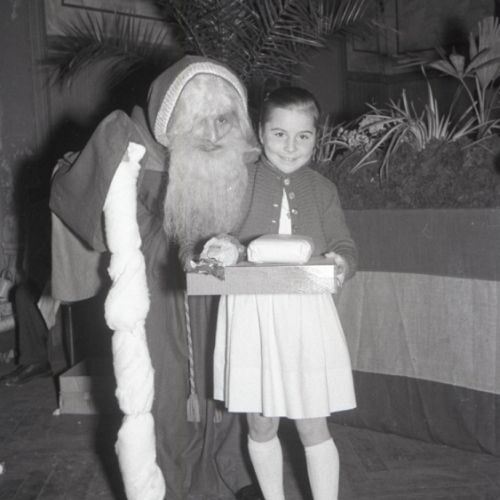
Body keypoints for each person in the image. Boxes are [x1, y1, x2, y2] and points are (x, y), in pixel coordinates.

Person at [49, 56, 262, 500]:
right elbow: (81, 194)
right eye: (198, 119)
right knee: (166, 384)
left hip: (221, 282)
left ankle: (233, 471)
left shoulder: (242, 160)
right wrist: (110, 153)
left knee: (228, 371)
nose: (212, 133)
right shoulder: (138, 152)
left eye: (222, 120)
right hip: (160, 283)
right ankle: (170, 483)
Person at [208, 87, 358, 500]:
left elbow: (345, 246)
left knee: (312, 423)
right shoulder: (238, 182)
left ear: (316, 137)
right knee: (261, 421)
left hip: (305, 316)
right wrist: (218, 249)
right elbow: (214, 236)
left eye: (303, 136)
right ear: (260, 132)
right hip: (251, 315)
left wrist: (342, 263)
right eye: (279, 134)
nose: (291, 147)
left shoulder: (323, 190)